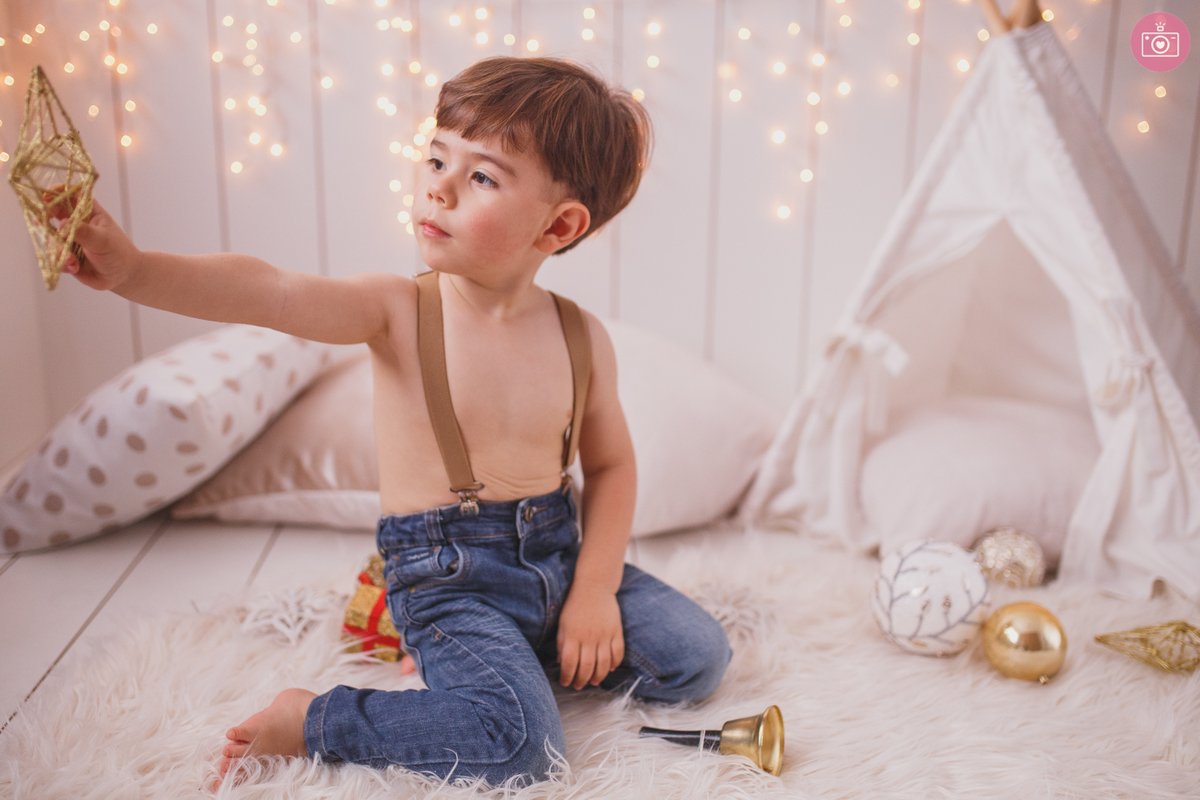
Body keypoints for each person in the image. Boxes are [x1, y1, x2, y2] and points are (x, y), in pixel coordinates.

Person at [52, 57, 731, 787]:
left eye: (481, 177)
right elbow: (269, 290)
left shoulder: (580, 336)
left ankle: (506, 661)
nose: (436, 185)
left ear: (559, 225)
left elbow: (611, 466)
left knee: (699, 656)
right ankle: (314, 718)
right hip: (449, 581)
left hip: (557, 559)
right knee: (521, 746)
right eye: (437, 157)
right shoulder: (400, 310)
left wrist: (594, 591)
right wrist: (133, 270)